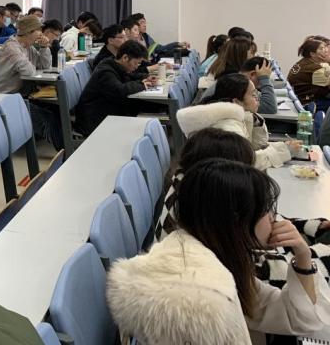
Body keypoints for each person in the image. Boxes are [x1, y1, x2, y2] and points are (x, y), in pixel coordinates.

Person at [108, 159, 330, 345]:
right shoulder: (201, 303)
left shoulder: (216, 259)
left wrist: (303, 256)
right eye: (265, 210)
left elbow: (296, 317)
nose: (273, 218)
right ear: (235, 220)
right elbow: (298, 318)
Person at [155, 128, 330, 289]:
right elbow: (282, 272)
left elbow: (264, 221)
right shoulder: (221, 258)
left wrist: (314, 226)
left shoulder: (189, 193)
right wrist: (305, 255)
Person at [177, 73, 299, 170]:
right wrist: (284, 151)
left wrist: (255, 123)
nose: (257, 99)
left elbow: (253, 147)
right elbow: (246, 163)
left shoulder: (236, 116)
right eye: (253, 95)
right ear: (236, 102)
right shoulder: (228, 126)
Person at [0, 16, 64, 151]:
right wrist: (33, 63)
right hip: (4, 97)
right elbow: (29, 72)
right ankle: (65, 150)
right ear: (29, 31)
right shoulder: (12, 48)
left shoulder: (28, 46)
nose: (41, 34)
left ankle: (64, 144)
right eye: (38, 30)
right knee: (46, 117)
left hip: (20, 95)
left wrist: (44, 47)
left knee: (55, 108)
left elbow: (44, 65)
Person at [74, 41, 156, 137]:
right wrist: (142, 85)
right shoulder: (105, 71)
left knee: (146, 108)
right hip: (94, 121)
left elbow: (130, 77)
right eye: (136, 63)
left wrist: (145, 78)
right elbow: (120, 90)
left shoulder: (115, 66)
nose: (136, 66)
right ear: (125, 58)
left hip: (106, 113)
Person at [199, 56, 277, 114]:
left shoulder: (239, 81)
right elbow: (269, 107)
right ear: (252, 74)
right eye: (261, 77)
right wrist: (265, 78)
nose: (261, 84)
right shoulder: (235, 85)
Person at [288, 37, 330, 111]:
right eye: (321, 48)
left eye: (325, 47)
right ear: (313, 54)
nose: (326, 50)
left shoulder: (304, 62)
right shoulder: (315, 69)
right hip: (308, 103)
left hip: (301, 100)